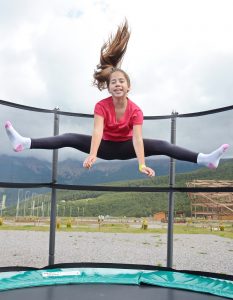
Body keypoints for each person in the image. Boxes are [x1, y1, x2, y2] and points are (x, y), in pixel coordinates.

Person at [4, 21, 229, 178]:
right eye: (114, 82)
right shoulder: (101, 106)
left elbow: (138, 139)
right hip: (103, 147)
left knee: (161, 145)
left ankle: (204, 159)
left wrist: (142, 164)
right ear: (109, 88)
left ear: (128, 87)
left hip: (126, 148)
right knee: (70, 136)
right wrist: (92, 155)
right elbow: (97, 132)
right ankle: (24, 143)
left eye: (122, 81)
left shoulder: (136, 110)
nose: (118, 84)